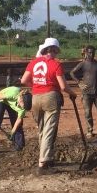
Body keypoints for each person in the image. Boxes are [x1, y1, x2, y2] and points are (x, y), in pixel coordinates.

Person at [20, 38, 77, 174]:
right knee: (49, 130)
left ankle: (47, 158)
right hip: (51, 97)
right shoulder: (56, 64)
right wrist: (73, 93)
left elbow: (23, 80)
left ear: (44, 50)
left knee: (42, 129)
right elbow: (63, 86)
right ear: (55, 50)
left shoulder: (33, 63)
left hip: (35, 98)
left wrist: (36, 86)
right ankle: (43, 164)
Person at [70, 45, 97, 138]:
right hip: (86, 93)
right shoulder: (83, 64)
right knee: (88, 113)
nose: (91, 54)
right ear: (86, 53)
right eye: (89, 52)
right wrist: (79, 82)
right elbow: (72, 73)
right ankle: (89, 131)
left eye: (93, 52)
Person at [0, 86, 32, 153]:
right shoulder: (12, 94)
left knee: (17, 125)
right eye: (22, 106)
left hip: (11, 104)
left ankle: (20, 147)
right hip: (1, 101)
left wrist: (12, 132)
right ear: (21, 99)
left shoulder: (23, 108)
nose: (22, 108)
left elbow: (18, 120)